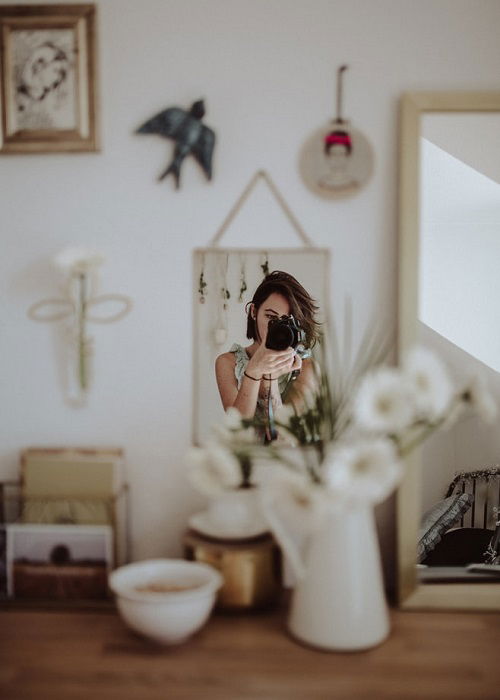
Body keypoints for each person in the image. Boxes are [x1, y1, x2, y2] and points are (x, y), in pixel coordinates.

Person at [215, 271, 320, 438]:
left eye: (286, 321)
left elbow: (282, 437)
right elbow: (239, 432)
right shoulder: (228, 363)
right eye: (271, 317)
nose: (277, 327)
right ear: (254, 312)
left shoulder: (306, 367)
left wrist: (269, 377)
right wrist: (253, 371)